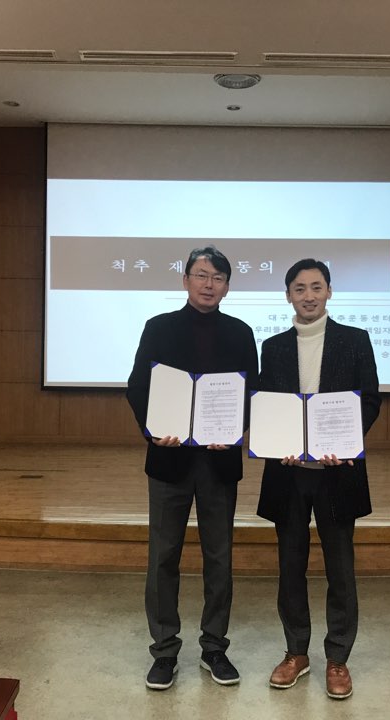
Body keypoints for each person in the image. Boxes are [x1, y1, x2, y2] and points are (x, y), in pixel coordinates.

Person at [126, 246, 259, 691]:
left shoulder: (240, 333)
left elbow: (251, 393)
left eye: (218, 278)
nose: (209, 284)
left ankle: (214, 647)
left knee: (219, 557)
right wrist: (153, 430)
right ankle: (164, 651)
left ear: (227, 287)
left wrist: (235, 429)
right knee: (163, 557)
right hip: (169, 459)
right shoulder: (159, 327)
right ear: (185, 280)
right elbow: (138, 387)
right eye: (201, 275)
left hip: (219, 462)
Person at [256, 258, 381, 700]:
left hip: (337, 473)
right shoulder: (273, 347)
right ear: (288, 295)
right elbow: (266, 405)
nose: (308, 295)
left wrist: (344, 442)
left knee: (340, 569)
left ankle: (338, 657)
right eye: (299, 288)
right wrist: (278, 442)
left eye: (316, 286)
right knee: (290, 568)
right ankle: (296, 653)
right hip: (288, 474)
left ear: (329, 291)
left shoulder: (355, 340)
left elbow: (370, 401)